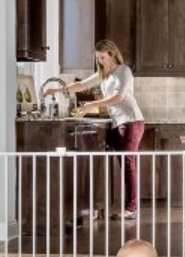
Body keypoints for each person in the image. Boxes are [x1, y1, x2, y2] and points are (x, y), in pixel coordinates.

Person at [48, 38, 145, 219]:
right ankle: (103, 207)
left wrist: (91, 105)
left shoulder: (124, 71)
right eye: (98, 58)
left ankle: (131, 208)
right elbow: (81, 85)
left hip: (131, 121)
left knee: (128, 164)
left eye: (103, 57)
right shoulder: (104, 74)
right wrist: (56, 90)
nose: (100, 61)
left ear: (112, 54)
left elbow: (118, 98)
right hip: (117, 122)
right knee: (120, 164)